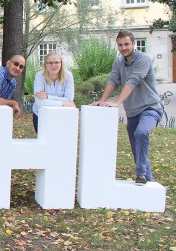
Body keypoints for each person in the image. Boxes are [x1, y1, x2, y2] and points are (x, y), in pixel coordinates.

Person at [92, 30, 161, 185]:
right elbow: (113, 81)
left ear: (133, 43)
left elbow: (132, 81)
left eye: (126, 44)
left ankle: (141, 173)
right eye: (120, 45)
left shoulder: (144, 60)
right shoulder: (118, 61)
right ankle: (147, 183)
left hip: (150, 108)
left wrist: (116, 102)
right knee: (137, 150)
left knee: (142, 132)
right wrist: (101, 101)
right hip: (133, 112)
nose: (123, 48)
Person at [32, 51, 75, 133]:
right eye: (50, 63)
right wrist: (62, 103)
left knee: (59, 142)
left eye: (56, 62)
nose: (53, 65)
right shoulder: (39, 76)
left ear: (61, 63)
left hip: (61, 115)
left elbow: (69, 99)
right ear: (45, 64)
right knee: (43, 143)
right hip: (41, 115)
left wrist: (48, 97)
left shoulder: (68, 75)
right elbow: (39, 102)